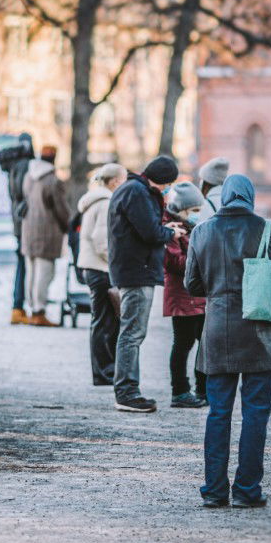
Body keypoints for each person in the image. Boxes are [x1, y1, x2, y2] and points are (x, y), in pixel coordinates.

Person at [185, 174, 271, 508]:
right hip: (259, 334)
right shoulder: (266, 229)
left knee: (218, 413)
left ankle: (214, 490)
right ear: (249, 196)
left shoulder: (201, 231)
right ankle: (247, 490)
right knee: (255, 414)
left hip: (218, 332)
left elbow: (193, 285)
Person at [108, 155, 182, 413]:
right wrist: (170, 232)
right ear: (161, 180)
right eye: (168, 185)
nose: (168, 189)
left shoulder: (132, 189)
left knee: (131, 332)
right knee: (133, 333)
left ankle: (127, 389)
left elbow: (144, 226)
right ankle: (127, 392)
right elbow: (149, 232)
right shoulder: (138, 193)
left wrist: (165, 227)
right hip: (137, 271)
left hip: (133, 269)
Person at [78, 163, 126, 386]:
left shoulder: (94, 201)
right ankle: (104, 372)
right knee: (105, 322)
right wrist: (115, 261)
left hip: (93, 267)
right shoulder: (106, 204)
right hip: (101, 268)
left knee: (102, 321)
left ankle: (104, 371)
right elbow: (101, 241)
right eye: (123, 180)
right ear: (114, 181)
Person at [164, 182, 208, 409]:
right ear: (182, 209)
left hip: (197, 295)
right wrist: (200, 259)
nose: (197, 214)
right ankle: (180, 391)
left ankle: (203, 388)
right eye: (194, 210)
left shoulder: (193, 228)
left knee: (204, 342)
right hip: (181, 295)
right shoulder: (171, 230)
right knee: (183, 344)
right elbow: (174, 262)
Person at [21, 146, 70, 326]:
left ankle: (32, 308)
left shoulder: (28, 176)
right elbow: (61, 209)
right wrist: (67, 225)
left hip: (28, 229)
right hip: (47, 231)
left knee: (31, 272)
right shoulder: (52, 180)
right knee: (45, 273)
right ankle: (39, 311)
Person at [0, 134, 35, 325]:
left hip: (17, 222)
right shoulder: (24, 166)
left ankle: (18, 306)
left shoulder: (13, 166)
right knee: (25, 264)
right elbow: (24, 195)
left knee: (22, 263)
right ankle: (19, 306)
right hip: (25, 222)